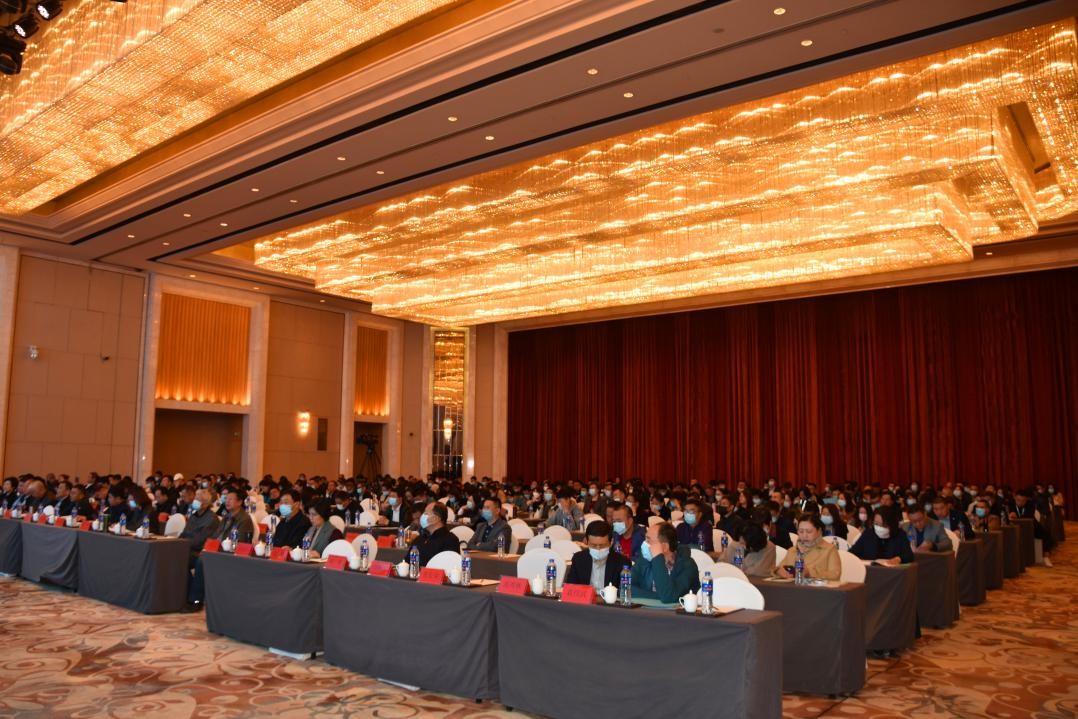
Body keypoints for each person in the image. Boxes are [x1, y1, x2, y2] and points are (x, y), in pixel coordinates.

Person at [631, 521, 700, 603]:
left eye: (648, 540)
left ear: (664, 547)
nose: (644, 544)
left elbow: (668, 597)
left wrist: (658, 558)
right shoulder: (644, 560)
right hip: (648, 609)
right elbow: (626, 588)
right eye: (645, 539)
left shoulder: (688, 566)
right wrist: (658, 596)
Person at [564, 519, 631, 593]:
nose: (598, 549)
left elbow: (624, 592)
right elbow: (570, 588)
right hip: (585, 599)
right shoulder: (579, 559)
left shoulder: (622, 562)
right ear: (586, 541)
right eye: (593, 545)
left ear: (611, 542)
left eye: (602, 545)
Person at [774, 514, 841, 580]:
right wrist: (778, 571)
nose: (804, 535)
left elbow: (835, 575)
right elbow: (779, 568)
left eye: (809, 532)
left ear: (819, 531)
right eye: (801, 531)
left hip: (817, 587)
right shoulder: (792, 550)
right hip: (792, 586)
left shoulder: (829, 549)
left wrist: (810, 573)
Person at [849, 505, 914, 566]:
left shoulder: (900, 535)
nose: (879, 528)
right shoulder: (868, 534)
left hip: (891, 571)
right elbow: (852, 552)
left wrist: (899, 559)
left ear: (892, 525)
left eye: (884, 525)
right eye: (876, 524)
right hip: (870, 569)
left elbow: (909, 555)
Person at [407, 502, 460, 566]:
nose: (422, 517)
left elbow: (449, 566)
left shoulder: (450, 540)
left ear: (436, 518)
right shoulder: (420, 538)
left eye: (426, 513)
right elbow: (407, 561)